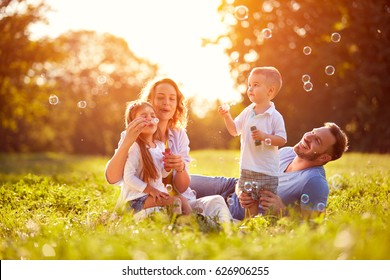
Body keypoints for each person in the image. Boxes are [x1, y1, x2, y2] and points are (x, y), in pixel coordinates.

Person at [106, 77, 232, 223]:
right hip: (147, 204)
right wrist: (128, 141)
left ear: (177, 104)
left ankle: (228, 232)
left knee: (216, 201)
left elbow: (182, 186)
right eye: (160, 98)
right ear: (149, 102)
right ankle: (197, 225)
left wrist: (180, 168)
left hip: (176, 199)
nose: (166, 102)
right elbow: (112, 178)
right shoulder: (132, 136)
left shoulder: (178, 135)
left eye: (172, 99)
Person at [189, 122, 349, 220]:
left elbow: (313, 226)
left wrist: (282, 211)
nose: (308, 137)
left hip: (240, 212)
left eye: (317, 140)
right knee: (179, 180)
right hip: (231, 186)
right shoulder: (287, 152)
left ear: (323, 158)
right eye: (313, 132)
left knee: (182, 206)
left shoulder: (314, 182)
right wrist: (239, 190)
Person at [218, 66, 287, 217]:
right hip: (248, 167)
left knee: (267, 202)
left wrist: (265, 136)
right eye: (249, 84)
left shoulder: (275, 116)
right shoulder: (248, 112)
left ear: (270, 91)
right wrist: (227, 116)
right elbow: (234, 130)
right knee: (249, 201)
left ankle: (271, 224)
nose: (250, 88)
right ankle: (251, 226)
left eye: (256, 85)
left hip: (267, 170)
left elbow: (282, 140)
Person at [118, 100, 191, 215]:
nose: (150, 118)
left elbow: (161, 175)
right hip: (136, 199)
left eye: (153, 116)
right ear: (134, 123)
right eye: (144, 116)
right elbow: (128, 177)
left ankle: (192, 225)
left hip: (152, 194)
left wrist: (167, 167)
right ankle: (178, 228)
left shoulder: (160, 145)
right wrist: (151, 190)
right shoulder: (135, 147)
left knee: (183, 200)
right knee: (175, 201)